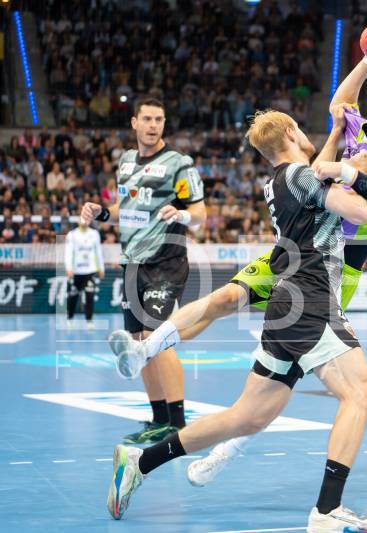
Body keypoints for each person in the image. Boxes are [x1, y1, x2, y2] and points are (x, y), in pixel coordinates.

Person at [108, 51, 367, 482]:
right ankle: (145, 349)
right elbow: (338, 105)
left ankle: (224, 453)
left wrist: (347, 172)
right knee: (226, 297)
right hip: (294, 254)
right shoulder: (357, 131)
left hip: (336, 268)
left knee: (283, 380)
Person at [81, 97, 206, 444]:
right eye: (147, 119)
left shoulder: (179, 164)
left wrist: (181, 214)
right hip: (132, 263)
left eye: (159, 119)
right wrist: (101, 212)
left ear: (164, 123)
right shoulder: (126, 162)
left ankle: (178, 425)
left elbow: (200, 214)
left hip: (167, 261)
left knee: (156, 338)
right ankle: (159, 419)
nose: (153, 125)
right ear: (134, 122)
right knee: (138, 343)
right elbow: (126, 209)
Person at [64, 219, 104, 329]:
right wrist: (68, 268)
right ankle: (70, 319)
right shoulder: (72, 235)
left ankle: (89, 321)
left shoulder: (94, 234)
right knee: (73, 296)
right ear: (77, 221)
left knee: (90, 296)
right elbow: (68, 253)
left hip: (90, 271)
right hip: (76, 271)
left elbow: (98, 251)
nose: (84, 221)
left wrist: (101, 268)